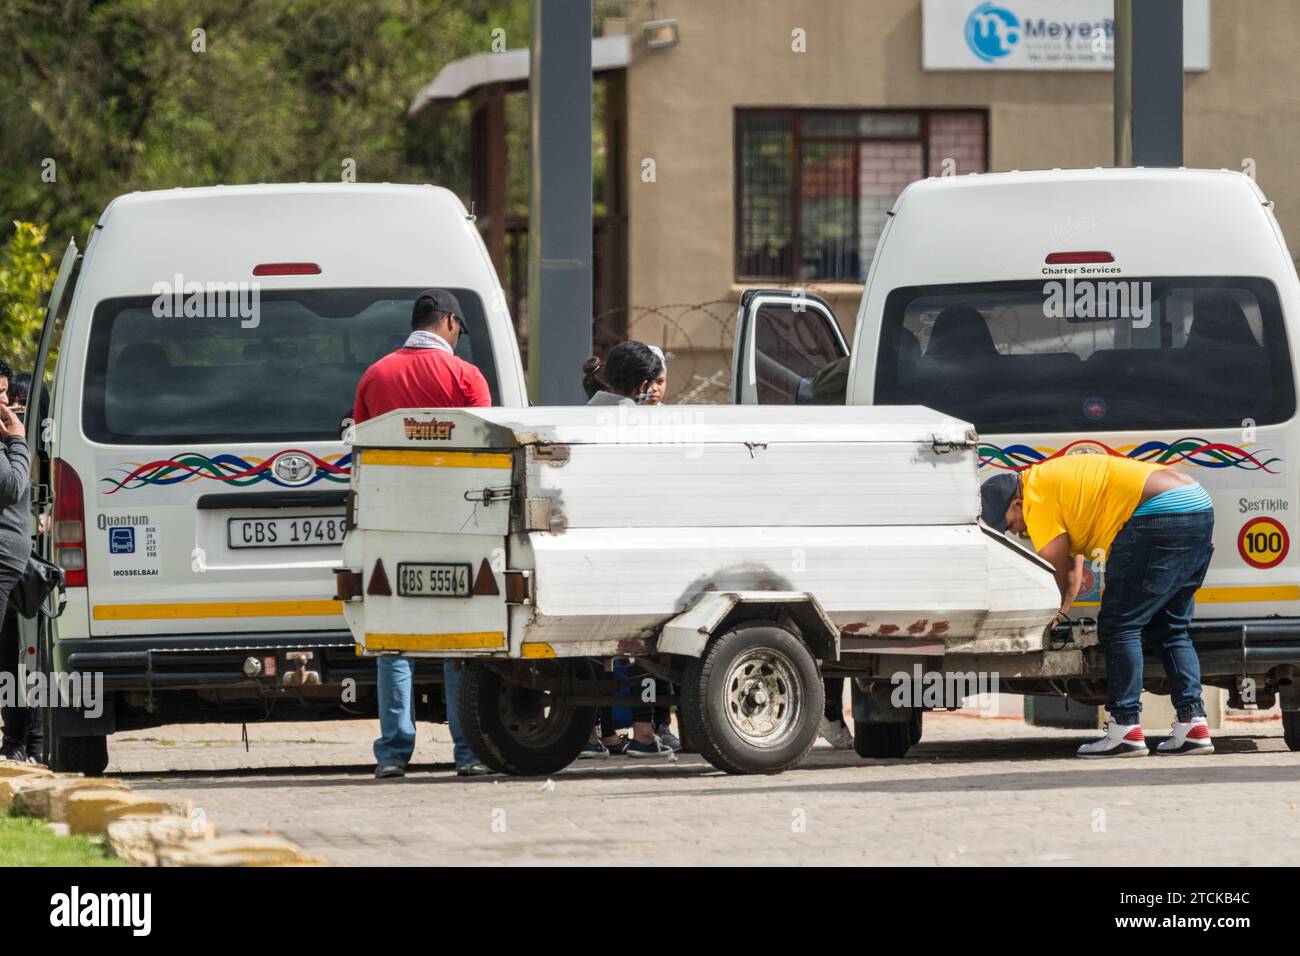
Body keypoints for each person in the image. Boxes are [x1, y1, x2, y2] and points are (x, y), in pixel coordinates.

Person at [981, 454, 1216, 758]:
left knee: (1120, 626)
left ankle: (1125, 730)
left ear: (1016, 504)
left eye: (1008, 524)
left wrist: (1047, 620)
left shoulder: (1035, 500)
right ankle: (1193, 726)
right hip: (1197, 506)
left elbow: (1060, 571)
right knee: (1169, 628)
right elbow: (1073, 568)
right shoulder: (1049, 483)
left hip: (1158, 513)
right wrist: (1061, 613)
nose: (1012, 531)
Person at [353, 290, 493, 779]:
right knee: (462, 641)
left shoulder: (375, 375)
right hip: (456, 527)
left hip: (389, 525)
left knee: (393, 640)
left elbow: (360, 452)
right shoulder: (466, 377)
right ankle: (470, 751)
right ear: (450, 323)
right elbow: (485, 456)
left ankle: (393, 754)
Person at [576, 342, 675, 759]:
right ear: (642, 385)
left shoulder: (579, 419)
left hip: (585, 552)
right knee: (640, 648)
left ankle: (594, 735)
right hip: (634, 552)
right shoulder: (642, 427)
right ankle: (644, 734)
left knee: (590, 648)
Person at [0, 361, 34, 762]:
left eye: (8, 392)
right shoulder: (12, 439)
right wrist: (19, 441)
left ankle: (23, 742)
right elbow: (10, 486)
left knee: (15, 658)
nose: (7, 401)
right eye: (1, 393)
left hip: (14, 565)